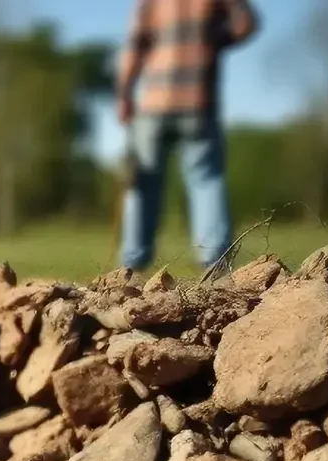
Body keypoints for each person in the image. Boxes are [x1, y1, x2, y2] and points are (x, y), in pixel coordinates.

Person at [116, 0, 260, 274]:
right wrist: (215, 41)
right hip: (197, 99)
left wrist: (124, 94)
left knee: (143, 184)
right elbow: (246, 23)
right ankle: (214, 261)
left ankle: (131, 267)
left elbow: (135, 45)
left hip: (153, 103)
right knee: (206, 179)